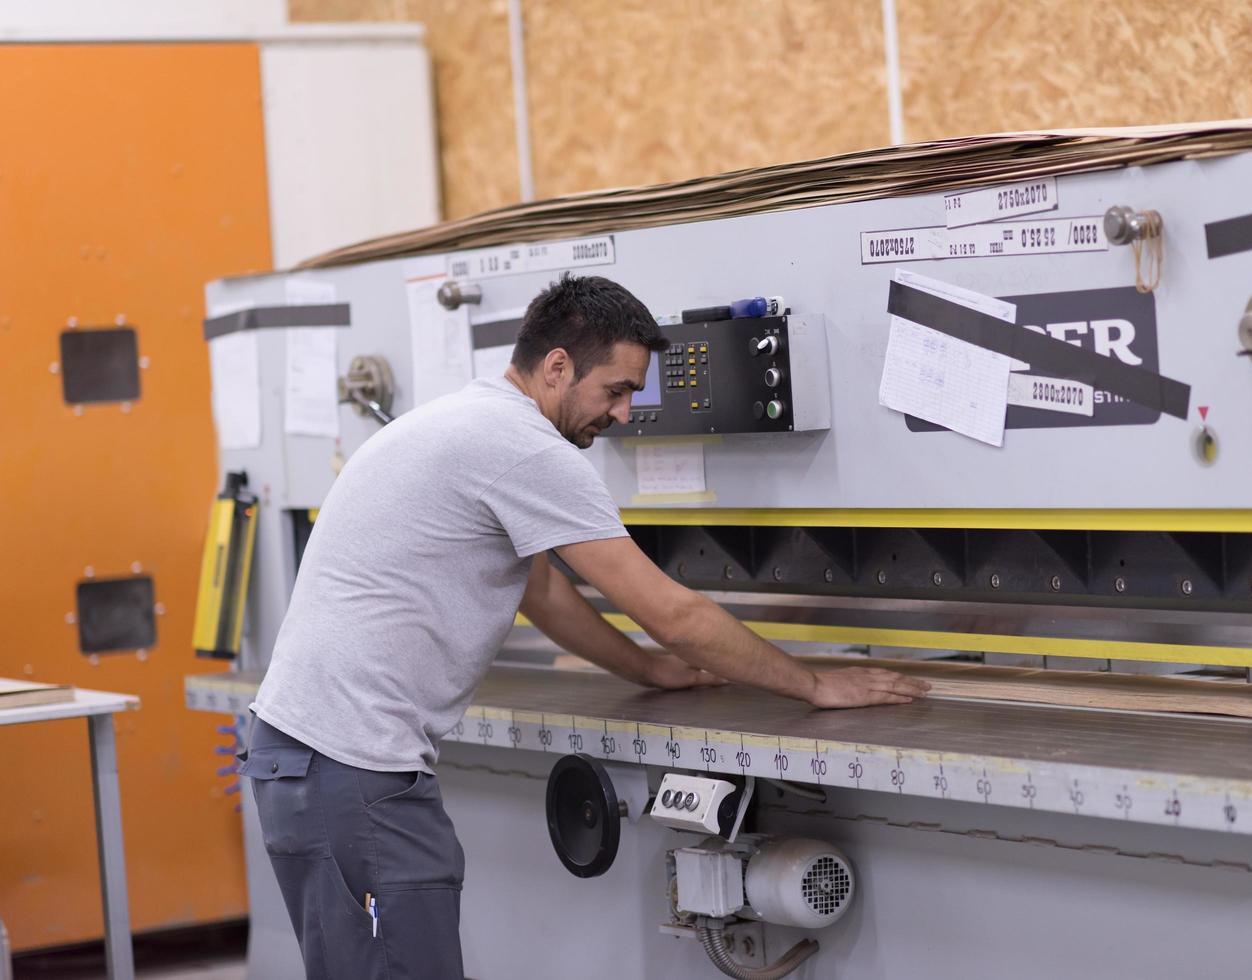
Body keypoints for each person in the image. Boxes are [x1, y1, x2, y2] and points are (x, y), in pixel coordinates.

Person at [239, 273, 929, 978]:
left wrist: (647, 670)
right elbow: (674, 613)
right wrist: (813, 684)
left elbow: (539, 588)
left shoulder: (465, 419)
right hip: (350, 773)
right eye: (616, 391)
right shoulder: (522, 445)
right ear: (558, 367)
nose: (625, 415)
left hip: (308, 761)